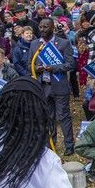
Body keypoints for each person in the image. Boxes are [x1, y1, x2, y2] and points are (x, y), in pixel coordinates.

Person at [28, 17, 76, 155]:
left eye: (45, 27)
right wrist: (36, 69)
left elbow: (71, 64)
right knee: (48, 117)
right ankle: (50, 145)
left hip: (59, 85)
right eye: (41, 27)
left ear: (52, 28)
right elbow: (29, 64)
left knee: (63, 116)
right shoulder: (34, 44)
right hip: (43, 86)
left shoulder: (63, 43)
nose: (42, 30)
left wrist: (53, 68)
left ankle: (69, 146)